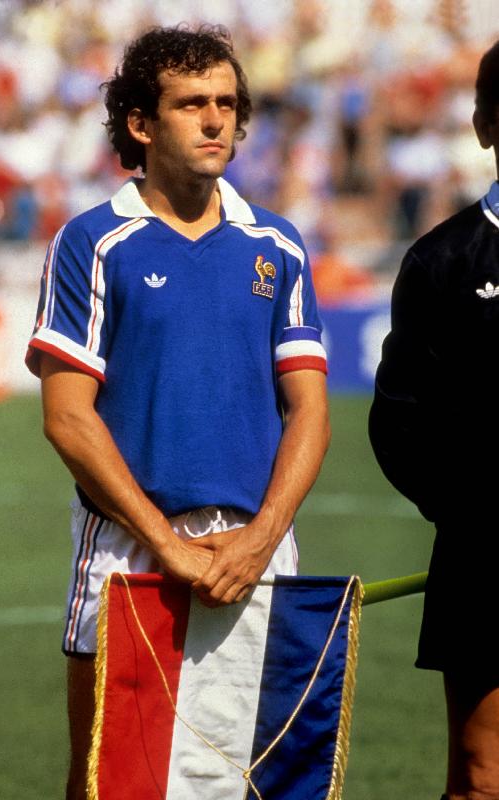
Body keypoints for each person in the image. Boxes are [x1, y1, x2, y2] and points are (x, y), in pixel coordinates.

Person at [25, 25, 330, 800]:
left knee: (252, 781)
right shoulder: (92, 242)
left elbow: (309, 413)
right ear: (140, 123)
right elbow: (68, 417)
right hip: (130, 551)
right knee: (110, 781)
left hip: (254, 550)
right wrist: (168, 545)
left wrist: (259, 541)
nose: (215, 120)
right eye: (192, 103)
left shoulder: (280, 246)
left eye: (226, 102)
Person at [369, 40, 499, 800]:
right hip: (484, 556)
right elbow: (399, 422)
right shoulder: (440, 260)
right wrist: (476, 513)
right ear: (484, 125)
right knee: (480, 778)